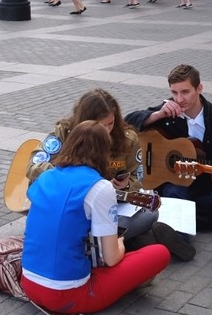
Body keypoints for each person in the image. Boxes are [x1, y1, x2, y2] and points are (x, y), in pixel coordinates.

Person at [21, 121, 171, 315]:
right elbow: (111, 258)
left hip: (29, 284)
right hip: (67, 295)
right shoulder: (100, 187)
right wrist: (120, 244)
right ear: (104, 152)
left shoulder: (45, 176)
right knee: (159, 253)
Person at [26, 88, 194, 260]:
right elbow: (33, 167)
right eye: (100, 125)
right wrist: (67, 177)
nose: (106, 131)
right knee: (119, 228)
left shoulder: (127, 139)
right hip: (70, 207)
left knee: (150, 213)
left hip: (109, 208)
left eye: (111, 123)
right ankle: (130, 242)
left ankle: (108, 242)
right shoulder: (64, 132)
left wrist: (126, 185)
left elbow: (139, 179)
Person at [125, 64, 212, 231]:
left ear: (199, 88)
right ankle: (176, 228)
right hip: (177, 183)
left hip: (208, 185)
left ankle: (168, 216)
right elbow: (127, 123)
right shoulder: (168, 113)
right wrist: (157, 114)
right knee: (175, 195)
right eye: (174, 92)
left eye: (185, 92)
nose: (179, 99)